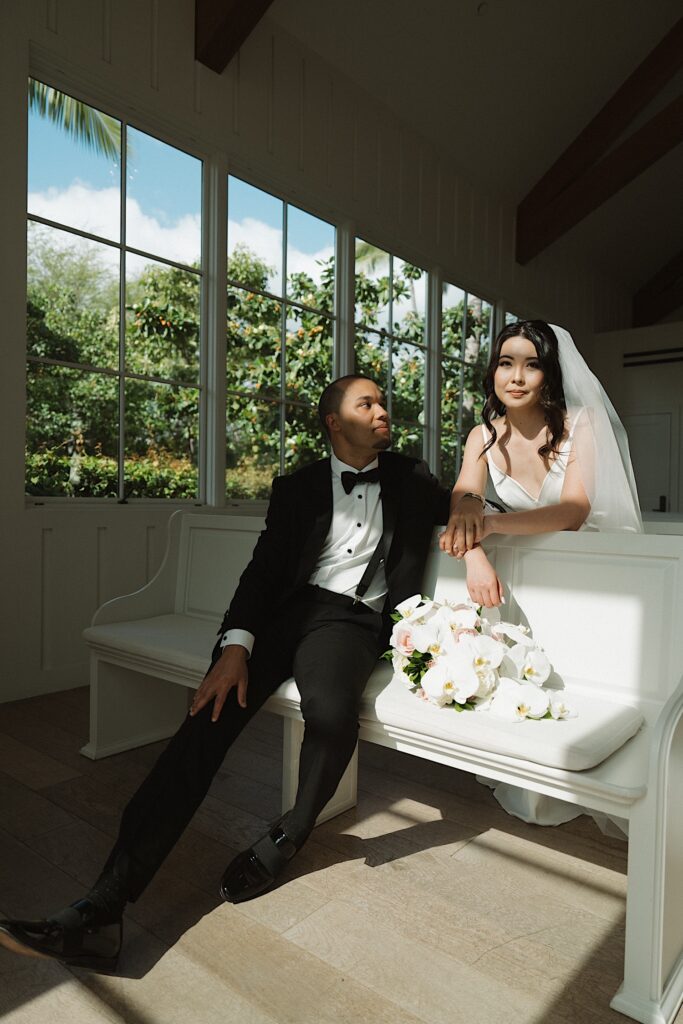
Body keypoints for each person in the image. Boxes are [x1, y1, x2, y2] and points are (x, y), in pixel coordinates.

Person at [0, 374, 451, 973]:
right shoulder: (297, 487)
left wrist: (477, 503)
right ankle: (104, 908)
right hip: (286, 614)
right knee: (201, 726)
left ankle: (291, 833)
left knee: (333, 713)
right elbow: (263, 572)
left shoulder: (412, 478)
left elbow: (474, 505)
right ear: (332, 421)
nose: (382, 409)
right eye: (365, 402)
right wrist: (235, 646)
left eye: (382, 400)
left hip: (351, 623)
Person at [439, 319, 643, 828]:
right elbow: (463, 498)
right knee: (532, 677)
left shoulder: (582, 425)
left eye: (531, 364)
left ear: (549, 374)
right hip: (527, 576)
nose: (516, 376)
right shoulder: (481, 436)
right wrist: (474, 553)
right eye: (506, 363)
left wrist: (485, 522)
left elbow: (573, 511)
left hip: (590, 577)